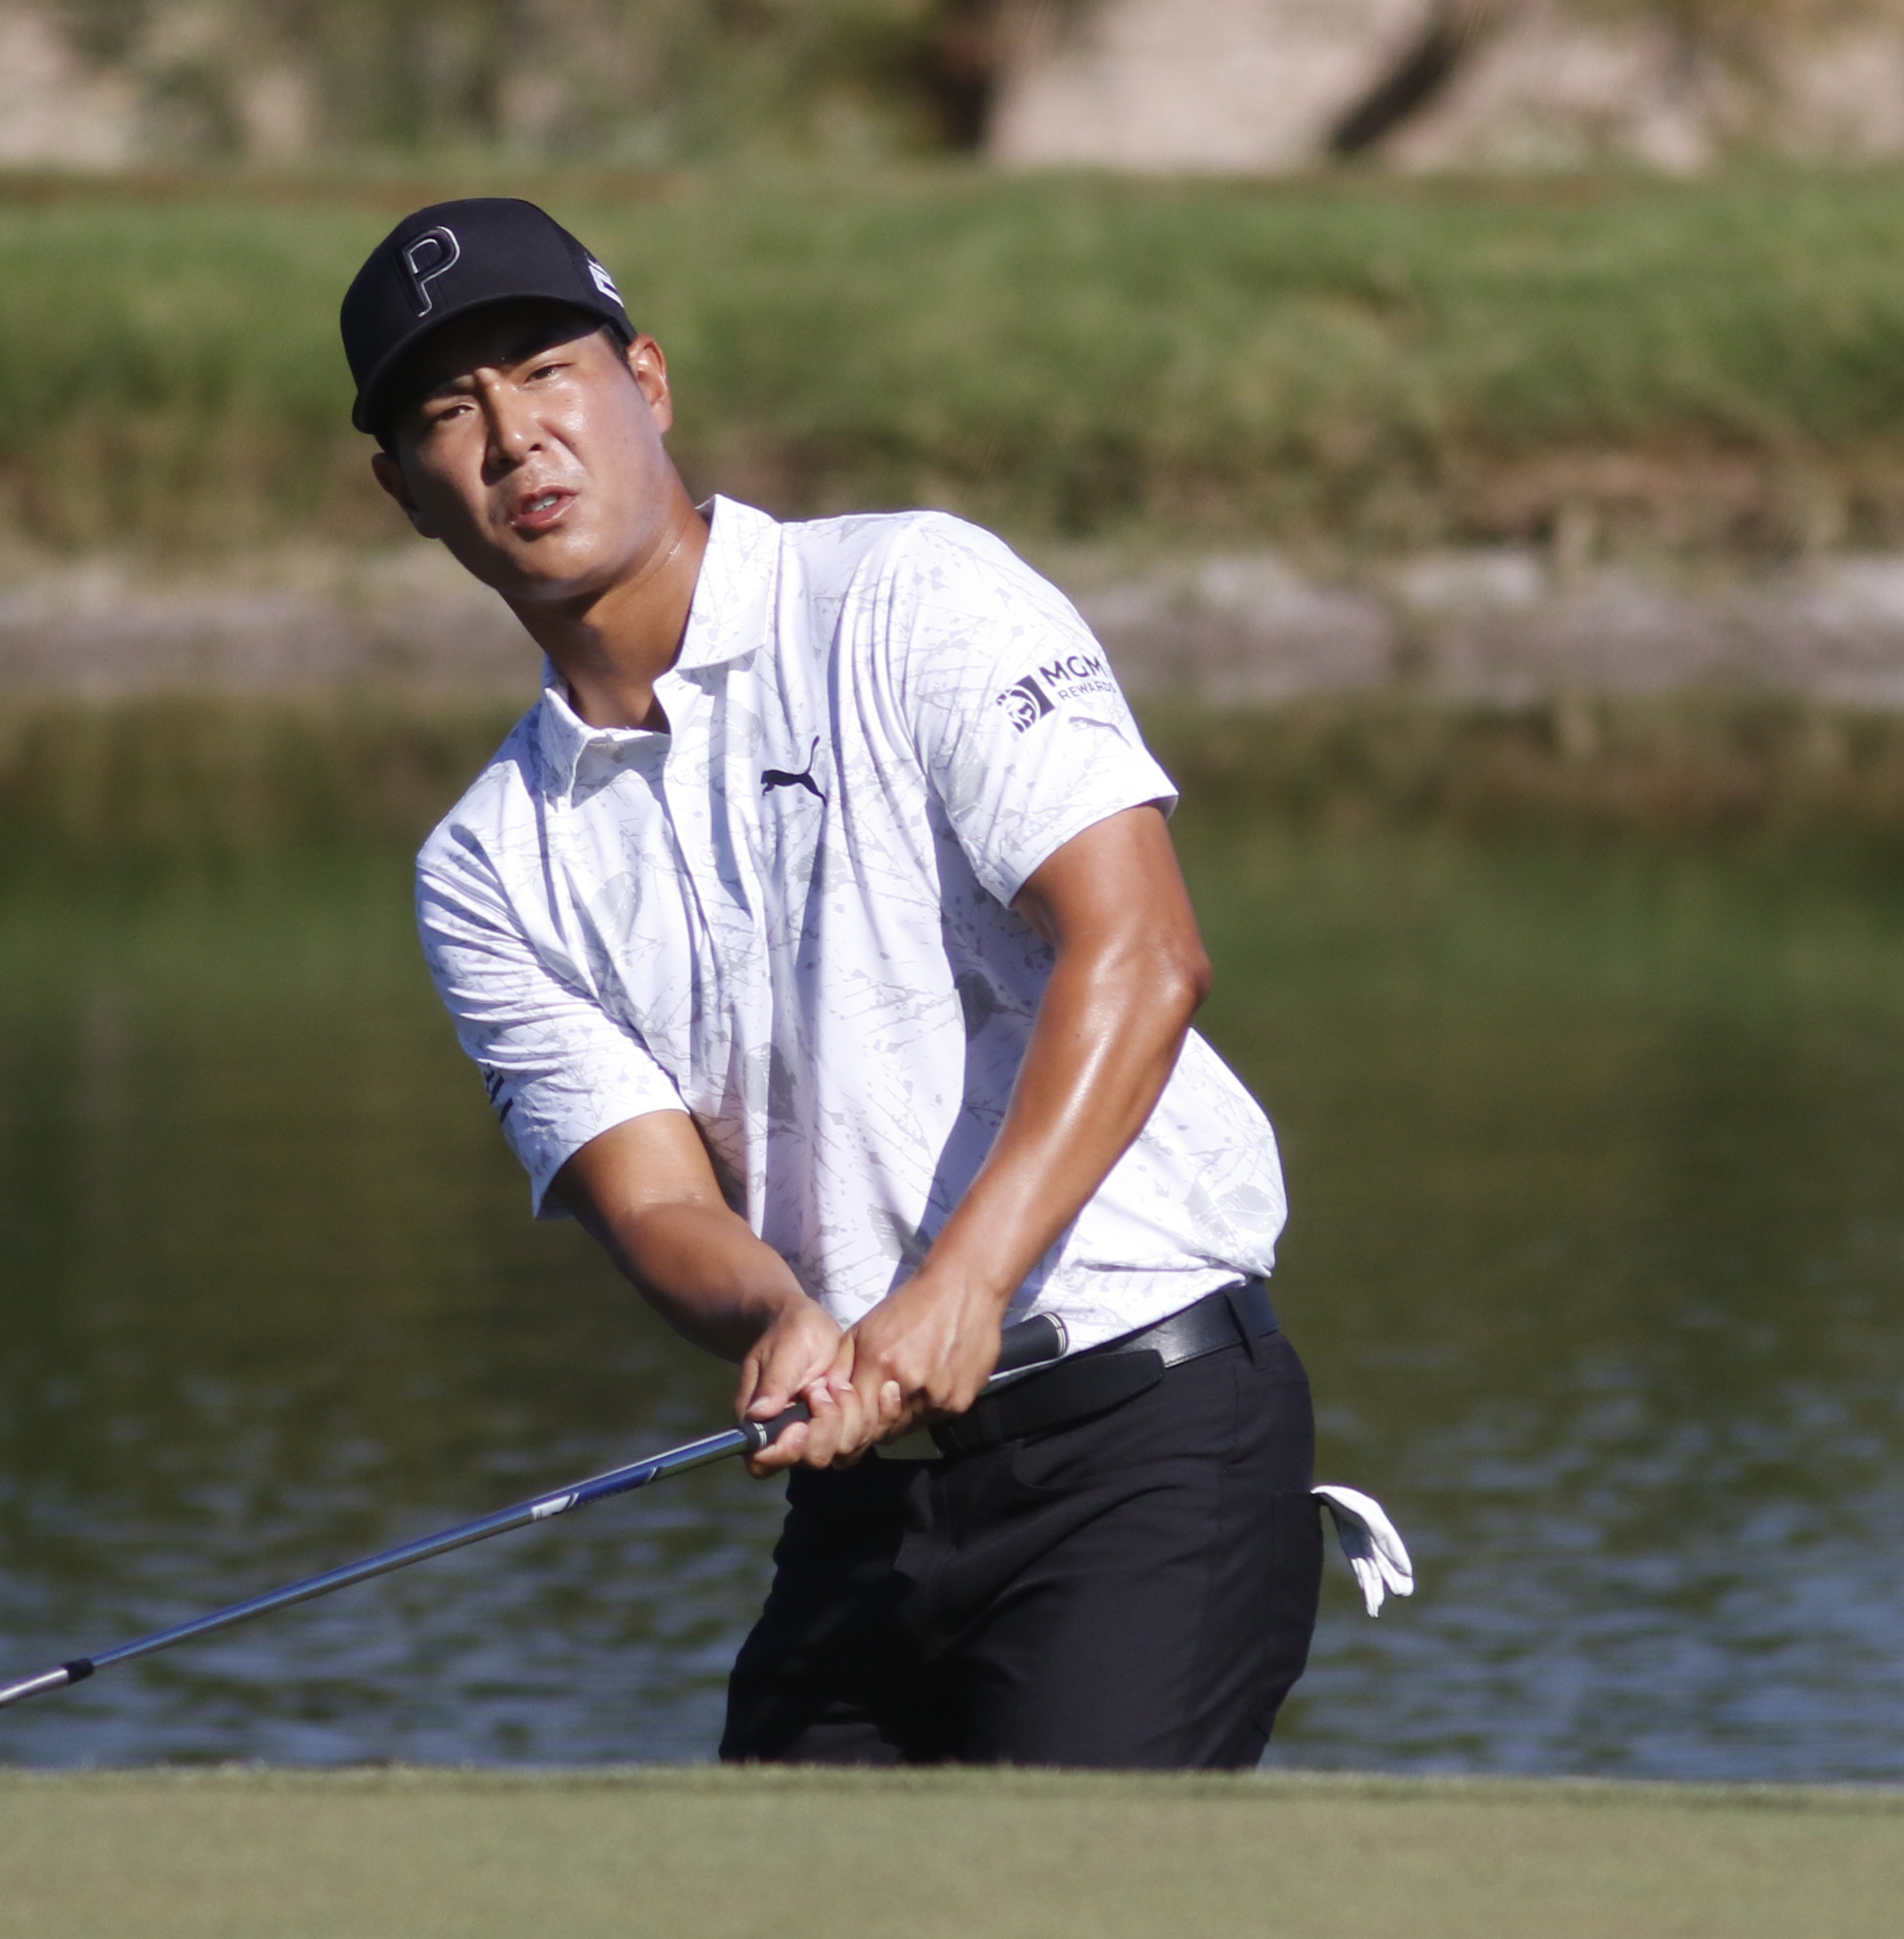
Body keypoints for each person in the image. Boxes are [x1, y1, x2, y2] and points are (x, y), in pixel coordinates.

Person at [342, 198, 1321, 1768]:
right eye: (449, 413)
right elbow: (651, 1201)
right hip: (861, 1488)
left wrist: (966, 1282)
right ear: (404, 490)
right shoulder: (486, 862)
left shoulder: (907, 594)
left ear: (644, 381)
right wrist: (778, 1310)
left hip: (1143, 1435)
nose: (516, 437)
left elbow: (1141, 951)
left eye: (543, 371)